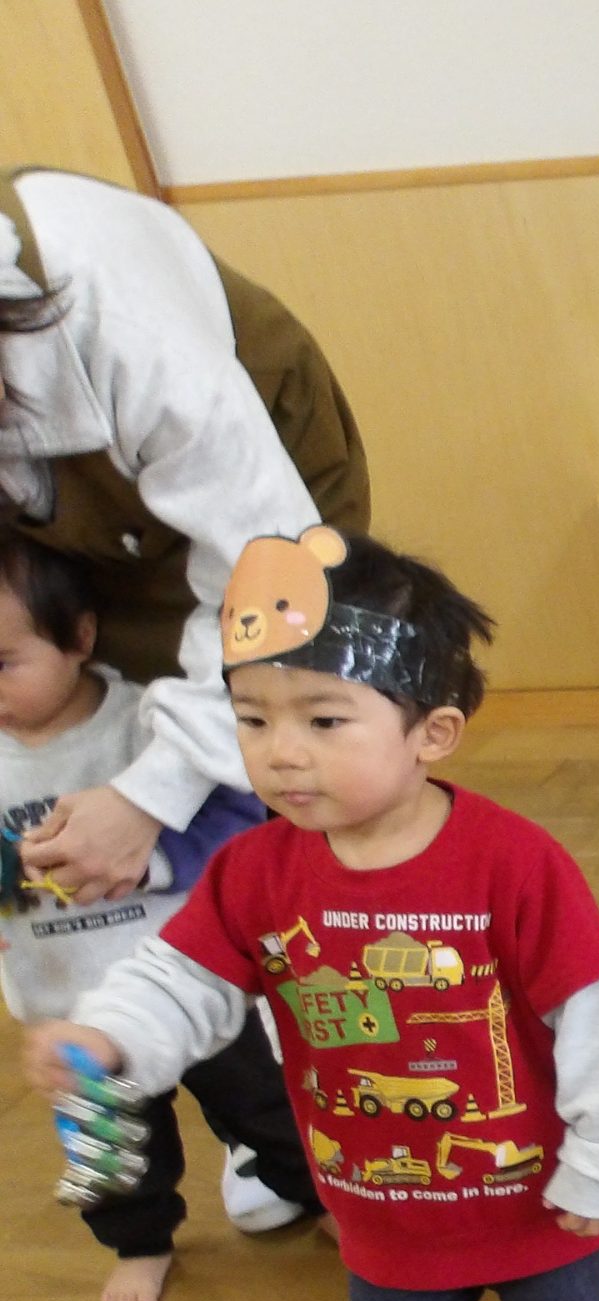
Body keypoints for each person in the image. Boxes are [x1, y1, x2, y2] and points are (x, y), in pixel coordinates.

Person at [19, 527, 599, 1301]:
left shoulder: (513, 864)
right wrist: (109, 1033)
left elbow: (595, 1013)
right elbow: (180, 979)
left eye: (324, 719)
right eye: (253, 718)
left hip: (537, 1196)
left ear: (432, 732)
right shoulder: (252, 871)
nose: (281, 752)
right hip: (376, 1196)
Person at [1, 167, 366, 906]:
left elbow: (275, 580)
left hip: (266, 518)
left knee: (283, 733)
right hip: (80, 516)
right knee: (98, 711)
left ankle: (308, 920)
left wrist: (148, 800)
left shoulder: (125, 326)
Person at [1, 532, 315, 1301]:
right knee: (110, 1157)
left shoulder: (150, 726)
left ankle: (316, 1194)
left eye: (3, 663)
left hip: (196, 984)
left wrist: (151, 858)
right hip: (70, 1010)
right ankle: (141, 1244)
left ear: (79, 637)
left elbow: (238, 823)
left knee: (271, 1110)